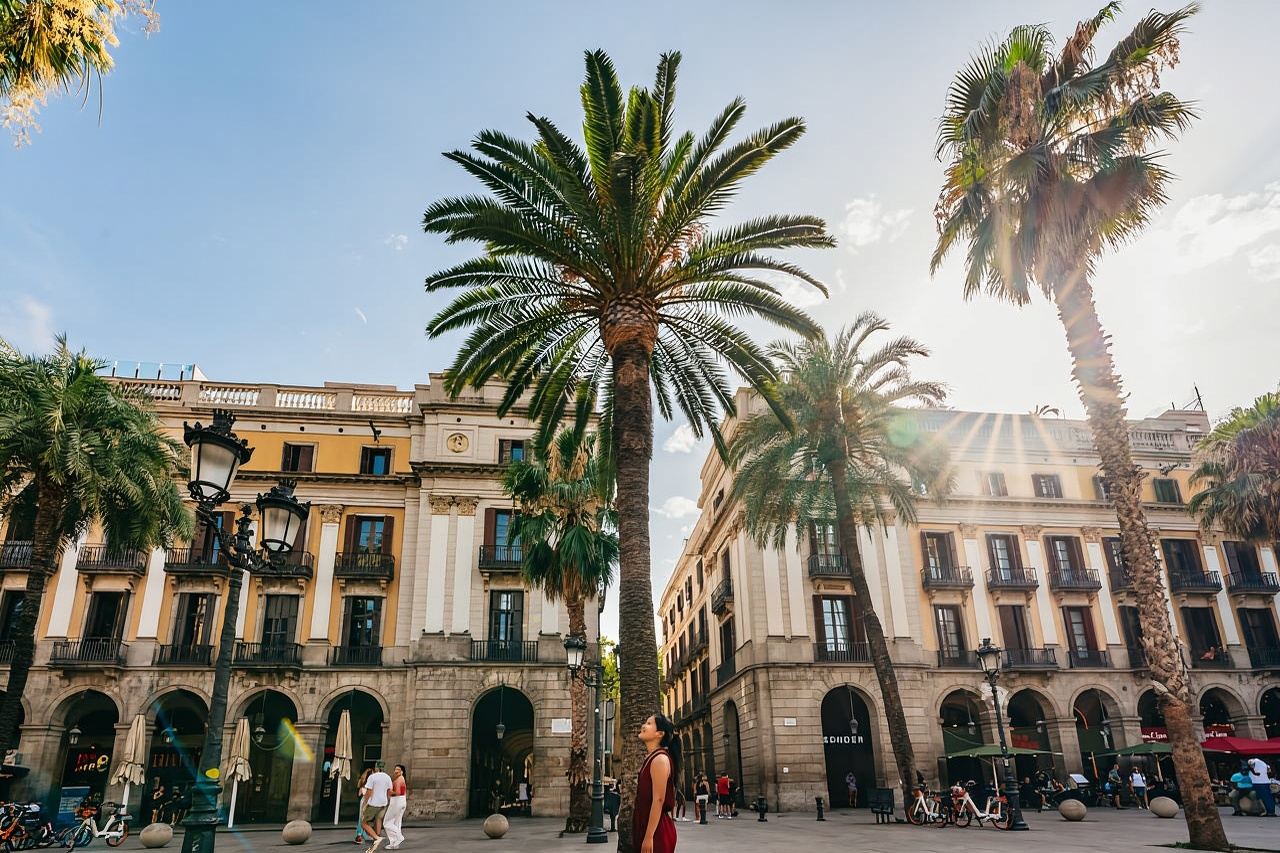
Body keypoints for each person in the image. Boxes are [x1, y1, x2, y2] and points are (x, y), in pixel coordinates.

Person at [633, 713, 680, 853]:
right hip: (648, 827)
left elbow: (658, 800)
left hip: (656, 832)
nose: (643, 726)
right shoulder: (652, 758)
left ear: (659, 733)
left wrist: (649, 837)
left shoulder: (660, 759)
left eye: (649, 723)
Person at [360, 763, 394, 852]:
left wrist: (365, 803)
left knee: (364, 823)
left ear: (376, 768)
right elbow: (389, 792)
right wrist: (387, 801)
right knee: (378, 820)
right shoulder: (388, 777)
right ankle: (377, 838)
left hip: (374, 803)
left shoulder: (373, 777)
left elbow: (369, 792)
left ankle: (376, 838)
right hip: (383, 803)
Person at [383, 765, 408, 850]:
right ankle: (394, 843)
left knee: (386, 823)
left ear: (402, 772)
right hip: (402, 801)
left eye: (398, 769)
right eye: (395, 769)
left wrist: (389, 791)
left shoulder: (399, 779)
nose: (396, 771)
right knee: (397, 823)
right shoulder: (402, 779)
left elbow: (397, 792)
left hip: (396, 801)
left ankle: (399, 837)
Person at [355, 768, 373, 844]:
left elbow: (359, 794)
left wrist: (362, 790)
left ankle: (363, 834)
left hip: (363, 800)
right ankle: (359, 835)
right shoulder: (370, 784)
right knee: (363, 818)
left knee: (363, 818)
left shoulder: (363, 784)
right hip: (367, 801)